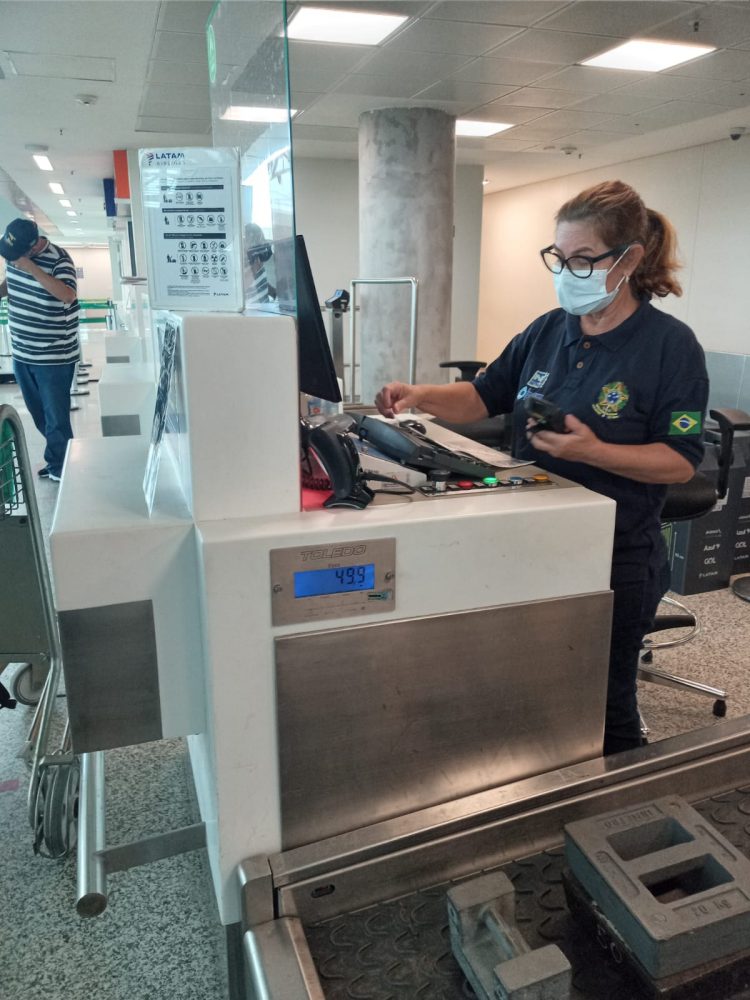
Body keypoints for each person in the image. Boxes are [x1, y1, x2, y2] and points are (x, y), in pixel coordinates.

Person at [375, 180, 709, 756]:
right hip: (529, 540)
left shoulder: (669, 348)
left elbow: (679, 464)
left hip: (614, 556)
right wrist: (418, 395)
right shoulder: (548, 331)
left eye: (583, 259)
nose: (567, 272)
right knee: (527, 688)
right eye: (560, 257)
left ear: (628, 259)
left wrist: (591, 451)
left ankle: (620, 814)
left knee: (605, 706)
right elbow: (483, 397)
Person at [0, 218, 79, 482]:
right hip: (22, 352)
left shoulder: (59, 260)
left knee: (56, 415)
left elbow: (67, 295)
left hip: (53, 355)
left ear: (33, 247)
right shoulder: (14, 254)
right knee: (38, 413)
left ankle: (62, 464)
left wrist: (32, 269)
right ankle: (59, 456)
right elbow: (10, 282)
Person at [244, 223, 276, 306]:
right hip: (253, 310)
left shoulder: (259, 262)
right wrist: (254, 268)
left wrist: (272, 290)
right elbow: (243, 288)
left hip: (265, 306)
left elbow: (259, 282)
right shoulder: (243, 265)